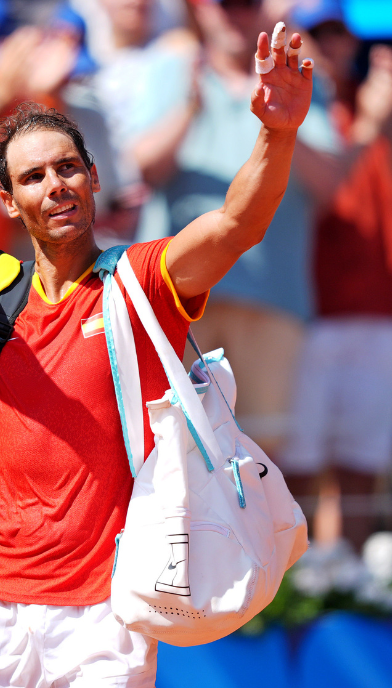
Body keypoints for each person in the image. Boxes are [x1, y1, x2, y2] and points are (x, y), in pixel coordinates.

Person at [0, 9, 314, 688]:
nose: (55, 184)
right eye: (33, 176)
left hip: (107, 617)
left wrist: (277, 133)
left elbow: (235, 224)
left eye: (69, 168)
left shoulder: (143, 280)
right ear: (8, 199)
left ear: (94, 178)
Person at [131, 0, 342, 458]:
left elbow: (330, 184)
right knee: (172, 448)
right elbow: (141, 168)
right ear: (198, 9)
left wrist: (284, 122)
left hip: (273, 296)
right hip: (179, 296)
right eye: (223, 3)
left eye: (246, 3)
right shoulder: (171, 69)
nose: (234, 13)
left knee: (261, 457)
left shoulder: (302, 75)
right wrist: (190, 105)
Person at [278, 0, 392, 552]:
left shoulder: (371, 105)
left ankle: (342, 583)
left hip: (377, 311)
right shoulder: (298, 109)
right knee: (295, 467)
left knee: (360, 469)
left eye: (338, 35)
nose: (332, 47)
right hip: (312, 312)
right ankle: (288, 593)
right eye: (317, 34)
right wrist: (369, 126)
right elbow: (318, 202)